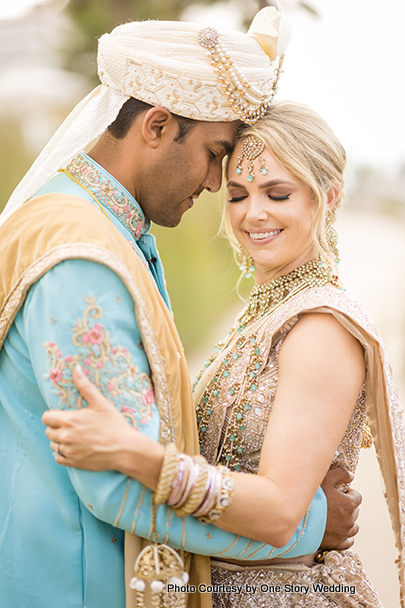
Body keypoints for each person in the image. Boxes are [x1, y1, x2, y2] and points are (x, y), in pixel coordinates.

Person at [0, 7, 360, 608]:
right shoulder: (82, 257)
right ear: (159, 126)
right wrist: (305, 525)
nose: (219, 185)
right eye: (217, 153)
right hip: (73, 582)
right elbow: (117, 484)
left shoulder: (88, 224)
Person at [43, 100, 405, 608]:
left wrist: (135, 455)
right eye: (238, 195)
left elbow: (280, 512)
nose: (253, 213)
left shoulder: (322, 327)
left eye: (277, 193)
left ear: (329, 197)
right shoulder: (268, 311)